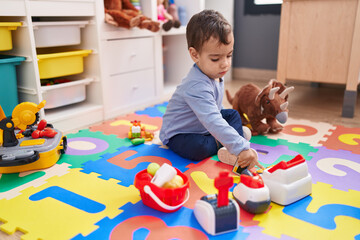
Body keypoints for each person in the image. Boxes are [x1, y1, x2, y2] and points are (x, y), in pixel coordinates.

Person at [159, 9, 264, 171]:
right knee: (199, 148)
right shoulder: (196, 86)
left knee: (233, 114)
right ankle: (230, 143)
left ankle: (228, 143)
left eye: (229, 55)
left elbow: (215, 110)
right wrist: (241, 147)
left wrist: (233, 139)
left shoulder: (215, 73)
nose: (225, 64)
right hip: (180, 134)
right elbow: (212, 120)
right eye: (216, 58)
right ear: (195, 55)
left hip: (203, 125)